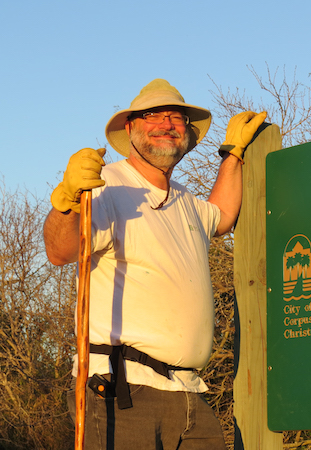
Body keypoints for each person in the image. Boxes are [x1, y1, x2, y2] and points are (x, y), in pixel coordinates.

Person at [43, 78, 267, 449]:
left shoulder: (187, 202)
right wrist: (67, 200)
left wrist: (234, 153)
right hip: (123, 390)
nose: (166, 124)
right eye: (153, 115)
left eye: (176, 118)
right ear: (130, 128)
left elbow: (223, 215)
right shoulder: (106, 186)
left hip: (190, 392)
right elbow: (60, 250)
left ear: (188, 135)